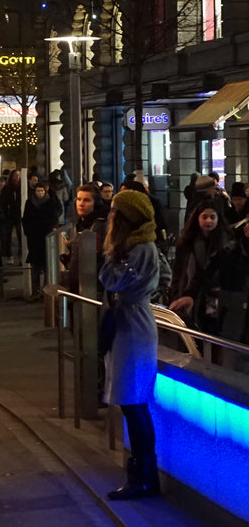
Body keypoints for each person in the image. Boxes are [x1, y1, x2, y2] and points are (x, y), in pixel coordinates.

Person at [101, 189, 162, 500]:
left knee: (134, 402)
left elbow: (111, 280)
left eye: (115, 213)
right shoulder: (139, 247)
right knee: (132, 402)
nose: (110, 217)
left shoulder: (138, 249)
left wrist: (110, 256)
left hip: (134, 326)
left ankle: (144, 476)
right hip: (132, 322)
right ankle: (143, 472)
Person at [167, 198, 231, 334]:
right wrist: (175, 294)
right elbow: (178, 272)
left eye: (213, 217)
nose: (209, 221)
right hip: (188, 292)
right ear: (197, 218)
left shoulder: (224, 244)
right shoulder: (186, 243)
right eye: (205, 217)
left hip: (214, 298)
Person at [61, 184, 107, 295]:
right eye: (79, 199)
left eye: (87, 200)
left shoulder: (100, 225)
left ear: (95, 203)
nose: (81, 204)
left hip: (93, 288)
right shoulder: (81, 223)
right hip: (79, 284)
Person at [22, 183, 62, 297]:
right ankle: (36, 290)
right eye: (38, 191)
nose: (39, 193)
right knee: (35, 265)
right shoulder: (30, 203)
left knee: (46, 264)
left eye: (41, 191)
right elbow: (26, 218)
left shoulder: (50, 202)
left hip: (46, 236)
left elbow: (54, 216)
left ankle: (45, 290)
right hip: (34, 237)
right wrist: (28, 231)